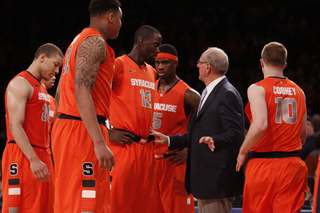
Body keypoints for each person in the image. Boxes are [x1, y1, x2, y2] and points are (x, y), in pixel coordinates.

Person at [151, 47, 245, 213]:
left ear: (208, 67)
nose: (197, 66)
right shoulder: (210, 92)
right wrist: (170, 140)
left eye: (200, 63)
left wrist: (214, 139)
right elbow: (198, 132)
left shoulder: (226, 93)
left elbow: (236, 133)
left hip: (216, 179)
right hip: (207, 178)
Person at [51, 0, 122, 212]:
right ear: (110, 17)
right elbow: (81, 92)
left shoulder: (75, 43)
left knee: (70, 199)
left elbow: (58, 94)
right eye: (120, 19)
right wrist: (99, 143)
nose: (120, 24)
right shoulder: (95, 42)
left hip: (66, 127)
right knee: (88, 199)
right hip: (82, 129)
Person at [236, 41, 308, 212]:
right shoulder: (299, 91)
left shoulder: (257, 88)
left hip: (263, 166)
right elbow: (302, 136)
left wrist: (243, 151)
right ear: (284, 65)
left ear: (262, 62)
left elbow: (260, 125)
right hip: (293, 165)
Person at [2, 43, 63, 213]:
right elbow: (15, 125)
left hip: (42, 153)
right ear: (42, 57)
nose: (56, 71)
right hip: (22, 155)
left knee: (44, 208)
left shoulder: (42, 88)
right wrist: (33, 159)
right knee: (17, 208)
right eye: (55, 64)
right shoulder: (20, 83)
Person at [108, 25, 162, 213]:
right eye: (155, 45)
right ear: (141, 42)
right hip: (123, 146)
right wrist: (106, 130)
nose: (158, 50)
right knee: (117, 203)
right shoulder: (119, 64)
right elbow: (95, 95)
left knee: (144, 205)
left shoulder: (152, 72)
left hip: (146, 149)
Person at [153, 44, 200, 213]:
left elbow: (208, 126)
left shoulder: (189, 94)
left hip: (173, 162)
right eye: (157, 62)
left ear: (175, 63)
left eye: (165, 62)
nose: (160, 66)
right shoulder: (148, 87)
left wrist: (191, 150)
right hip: (149, 162)